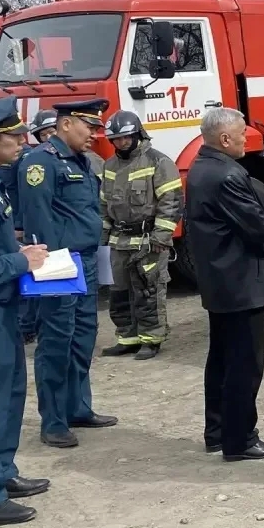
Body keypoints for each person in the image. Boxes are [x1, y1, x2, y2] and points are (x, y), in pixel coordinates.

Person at [186, 107, 264, 460]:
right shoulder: (228, 174)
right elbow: (256, 224)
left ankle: (217, 430)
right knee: (245, 363)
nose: (248, 138)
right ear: (225, 139)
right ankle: (240, 438)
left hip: (219, 280)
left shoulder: (202, 167)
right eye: (242, 133)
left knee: (222, 359)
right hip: (240, 280)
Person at [18, 99, 118, 448]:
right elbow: (38, 221)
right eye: (89, 126)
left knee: (83, 336)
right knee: (57, 340)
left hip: (87, 260)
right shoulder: (41, 163)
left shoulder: (81, 162)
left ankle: (78, 408)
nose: (95, 134)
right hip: (59, 263)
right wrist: (50, 267)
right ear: (65, 124)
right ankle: (54, 420)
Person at [0, 98, 50, 526]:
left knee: (9, 397)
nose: (23, 140)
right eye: (13, 136)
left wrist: (16, 252)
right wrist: (23, 262)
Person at [98, 110, 182, 360]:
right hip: (119, 241)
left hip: (148, 242)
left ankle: (151, 339)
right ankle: (127, 338)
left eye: (125, 137)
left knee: (148, 290)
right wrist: (102, 239)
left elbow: (172, 202)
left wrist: (161, 237)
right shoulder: (109, 166)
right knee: (119, 292)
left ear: (137, 134)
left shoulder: (158, 162)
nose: (121, 143)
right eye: (116, 139)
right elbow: (104, 205)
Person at [0, 109, 57, 344]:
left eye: (51, 132)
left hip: (21, 222)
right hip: (12, 221)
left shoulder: (34, 158)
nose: (48, 137)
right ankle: (26, 324)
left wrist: (21, 224)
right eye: (43, 134)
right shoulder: (27, 158)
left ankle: (28, 324)